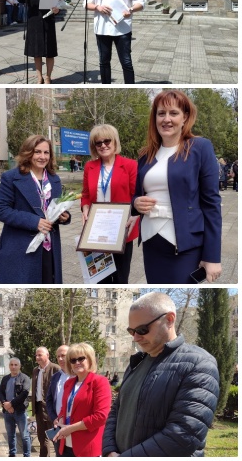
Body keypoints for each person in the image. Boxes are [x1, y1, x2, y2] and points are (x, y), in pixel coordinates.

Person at [102, 292, 219, 456]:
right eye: (131, 331)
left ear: (169, 320)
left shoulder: (199, 364)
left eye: (142, 329)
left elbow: (184, 433)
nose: (136, 338)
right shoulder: (136, 363)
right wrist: (109, 451)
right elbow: (116, 411)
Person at [132, 90, 222, 283]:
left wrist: (212, 256)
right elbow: (135, 196)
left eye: (173, 113)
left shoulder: (200, 148)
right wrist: (136, 203)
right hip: (151, 242)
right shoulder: (145, 155)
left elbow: (212, 204)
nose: (166, 119)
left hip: (185, 245)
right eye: (161, 113)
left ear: (185, 117)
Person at [0, 134, 71, 284]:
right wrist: (34, 221)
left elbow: (57, 206)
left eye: (46, 152)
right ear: (28, 153)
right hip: (21, 248)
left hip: (49, 248)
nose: (42, 157)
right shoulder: (11, 177)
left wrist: (64, 216)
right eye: (37, 152)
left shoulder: (54, 179)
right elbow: (0, 210)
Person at [80, 124, 139, 284]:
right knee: (100, 277)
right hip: (97, 230)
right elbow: (85, 195)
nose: (103, 145)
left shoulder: (130, 165)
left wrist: (135, 215)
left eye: (107, 141)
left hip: (121, 230)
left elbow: (136, 196)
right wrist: (85, 208)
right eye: (98, 143)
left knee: (121, 278)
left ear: (115, 142)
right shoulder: (89, 167)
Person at [85, 0, 145, 84]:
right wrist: (97, 7)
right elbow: (86, 3)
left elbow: (140, 2)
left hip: (122, 28)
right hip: (102, 28)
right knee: (104, 61)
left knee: (126, 62)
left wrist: (131, 9)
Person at [51, 343, 111, 457]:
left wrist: (70, 429)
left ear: (90, 359)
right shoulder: (69, 383)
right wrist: (60, 419)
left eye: (81, 358)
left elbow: (101, 416)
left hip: (86, 446)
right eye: (73, 360)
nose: (77, 363)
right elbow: (65, 407)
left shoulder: (99, 382)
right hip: (65, 445)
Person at [19, 0, 60, 84]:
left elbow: (58, 7)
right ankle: (39, 77)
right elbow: (20, 0)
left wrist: (57, 10)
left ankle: (48, 77)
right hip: (34, 25)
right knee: (37, 53)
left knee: (49, 52)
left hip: (48, 25)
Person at [32, 347, 61, 457]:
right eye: (36, 355)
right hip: (39, 408)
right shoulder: (35, 370)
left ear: (47, 355)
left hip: (51, 410)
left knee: (55, 437)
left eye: (40, 355)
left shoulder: (56, 369)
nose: (37, 357)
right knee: (42, 438)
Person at [0, 358, 32, 458]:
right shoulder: (5, 378)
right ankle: (12, 454)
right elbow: (0, 392)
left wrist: (12, 404)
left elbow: (24, 394)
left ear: (19, 366)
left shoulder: (25, 378)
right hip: (7, 412)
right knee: (10, 435)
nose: (13, 367)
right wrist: (5, 404)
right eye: (11, 365)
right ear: (9, 366)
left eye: (16, 365)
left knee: (24, 435)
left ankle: (27, 455)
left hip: (20, 411)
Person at [45, 345, 71, 441]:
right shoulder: (55, 377)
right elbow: (49, 399)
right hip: (58, 425)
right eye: (58, 356)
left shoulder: (77, 376)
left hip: (74, 426)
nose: (60, 359)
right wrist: (54, 418)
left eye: (63, 355)